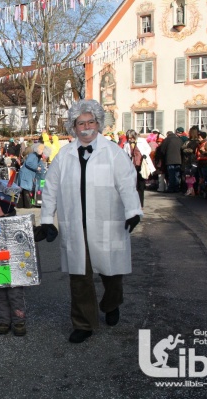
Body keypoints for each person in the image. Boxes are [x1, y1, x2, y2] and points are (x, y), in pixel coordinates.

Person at [40, 99, 142, 344]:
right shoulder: (64, 155)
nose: (86, 127)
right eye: (80, 123)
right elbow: (51, 188)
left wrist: (133, 211)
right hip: (75, 224)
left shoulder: (114, 153)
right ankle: (83, 323)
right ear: (73, 127)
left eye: (90, 122)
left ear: (99, 124)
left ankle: (111, 303)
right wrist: (46, 219)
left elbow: (127, 184)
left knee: (112, 273)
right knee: (79, 276)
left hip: (108, 222)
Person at [0, 187, 27, 336]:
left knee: (15, 295)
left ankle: (19, 321)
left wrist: (41, 232)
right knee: (0, 295)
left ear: (6, 206)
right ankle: (4, 321)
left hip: (15, 265)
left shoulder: (17, 223)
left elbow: (27, 236)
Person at [124, 130, 155, 206]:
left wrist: (145, 154)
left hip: (141, 165)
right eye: (129, 138)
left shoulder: (142, 141)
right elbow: (124, 153)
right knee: (133, 185)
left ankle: (141, 203)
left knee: (141, 184)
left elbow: (148, 149)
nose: (130, 140)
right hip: (132, 165)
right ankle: (134, 203)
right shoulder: (127, 144)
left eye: (131, 138)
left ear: (135, 136)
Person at [17, 143, 45, 209]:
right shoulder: (32, 155)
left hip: (27, 174)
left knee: (23, 190)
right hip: (26, 174)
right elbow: (28, 163)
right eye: (41, 150)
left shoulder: (37, 157)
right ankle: (27, 205)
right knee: (26, 189)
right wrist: (36, 168)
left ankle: (21, 205)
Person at [195, 131, 207, 196]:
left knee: (204, 176)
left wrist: (203, 152)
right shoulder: (199, 143)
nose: (198, 138)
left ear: (202, 137)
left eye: (199, 137)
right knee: (200, 177)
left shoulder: (206, 143)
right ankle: (201, 190)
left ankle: (206, 189)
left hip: (204, 161)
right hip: (199, 161)